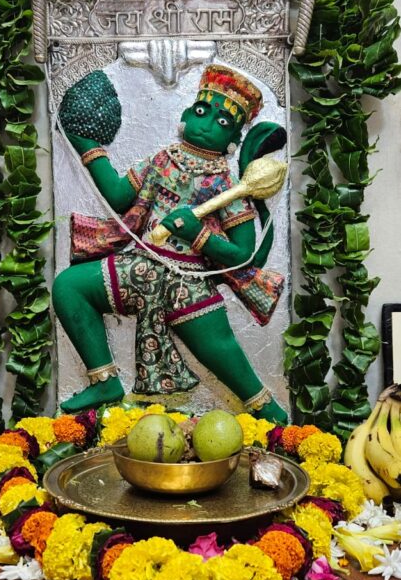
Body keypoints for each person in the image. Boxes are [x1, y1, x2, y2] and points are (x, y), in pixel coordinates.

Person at [53, 64, 288, 422]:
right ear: (185, 115)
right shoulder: (162, 161)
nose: (207, 124)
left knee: (220, 349)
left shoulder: (226, 185)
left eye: (223, 122)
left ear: (233, 140)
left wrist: (197, 234)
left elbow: (243, 254)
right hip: (141, 266)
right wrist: (88, 145)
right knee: (69, 286)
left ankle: (269, 414)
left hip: (187, 283)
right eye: (201, 111)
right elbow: (118, 196)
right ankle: (104, 380)